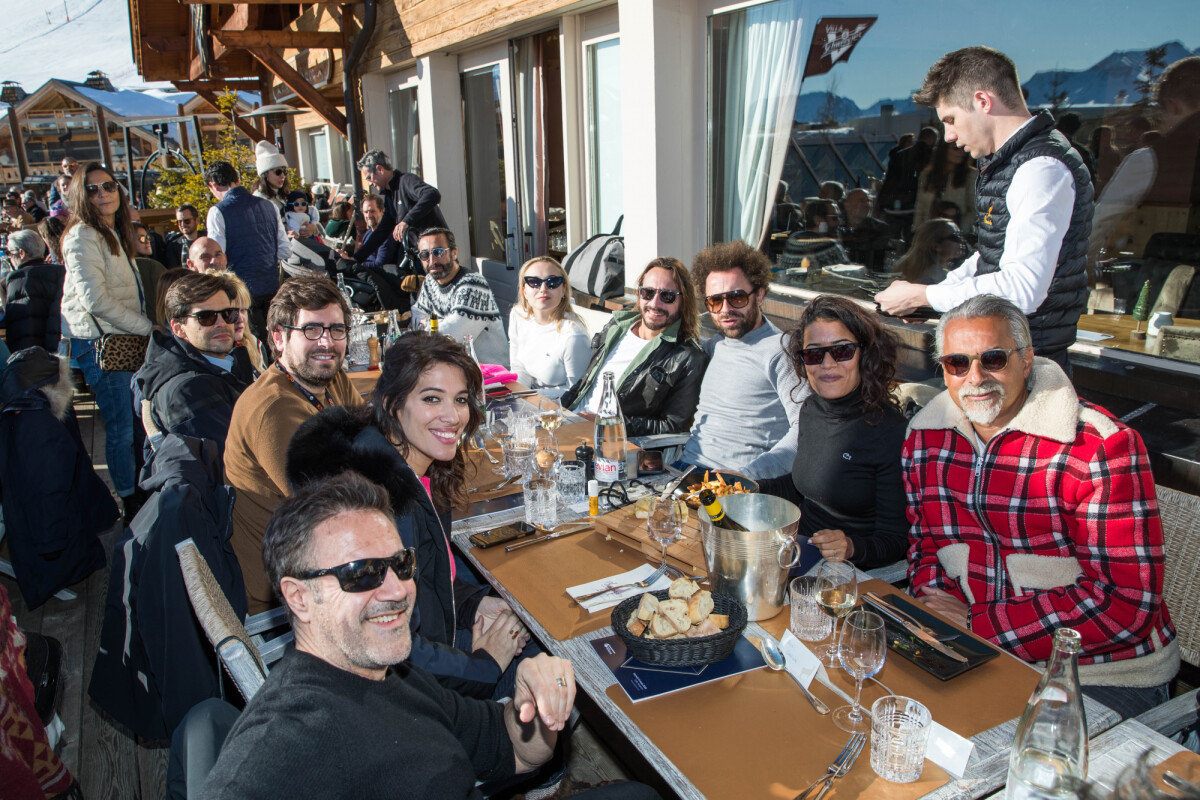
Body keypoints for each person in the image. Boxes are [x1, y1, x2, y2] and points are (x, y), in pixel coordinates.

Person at [198, 472, 656, 800]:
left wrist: (532, 707)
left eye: (402, 565)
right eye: (361, 574)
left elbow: (517, 751)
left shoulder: (392, 675)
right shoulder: (285, 744)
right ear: (298, 598)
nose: (398, 591)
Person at [904, 295, 1178, 719]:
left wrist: (981, 625)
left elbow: (1125, 604)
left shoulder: (1098, 447)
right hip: (974, 654)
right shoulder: (925, 438)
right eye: (958, 363)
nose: (975, 378)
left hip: (1100, 673)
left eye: (992, 359)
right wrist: (938, 611)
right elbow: (925, 544)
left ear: (1027, 360)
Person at [287, 332, 535, 700]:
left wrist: (472, 604)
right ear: (392, 404)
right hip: (405, 692)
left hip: (432, 649)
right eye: (432, 398)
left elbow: (431, 582)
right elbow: (392, 645)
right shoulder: (380, 505)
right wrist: (484, 662)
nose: (453, 417)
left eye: (461, 400)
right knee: (549, 669)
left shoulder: (412, 467)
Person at [876, 47, 1094, 373]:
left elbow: (1022, 290)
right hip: (1002, 355)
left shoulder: (1040, 168)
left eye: (950, 119)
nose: (948, 136)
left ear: (982, 102)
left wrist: (925, 296)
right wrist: (932, 297)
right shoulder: (1008, 163)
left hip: (1028, 368)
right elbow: (991, 257)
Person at [224, 275, 363, 614]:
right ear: (279, 337)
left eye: (337, 329)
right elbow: (336, 508)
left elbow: (374, 440)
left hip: (326, 551)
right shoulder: (273, 409)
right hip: (292, 588)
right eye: (312, 330)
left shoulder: (329, 379)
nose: (327, 343)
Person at [758, 296, 908, 569]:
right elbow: (805, 484)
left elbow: (896, 540)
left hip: (847, 573)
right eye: (814, 354)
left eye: (841, 351)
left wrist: (851, 546)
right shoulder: (812, 409)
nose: (827, 364)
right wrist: (751, 487)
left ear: (865, 354)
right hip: (797, 553)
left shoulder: (890, 432)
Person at [59, 161, 153, 521]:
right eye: (93, 189)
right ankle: (129, 501)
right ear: (80, 195)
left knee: (131, 422)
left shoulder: (111, 230)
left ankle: (136, 492)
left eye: (109, 186)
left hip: (122, 338)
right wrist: (146, 327)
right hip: (104, 343)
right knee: (120, 427)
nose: (103, 194)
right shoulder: (84, 235)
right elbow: (94, 300)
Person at [679, 241, 805, 479]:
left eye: (736, 297)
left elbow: (804, 428)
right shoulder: (715, 345)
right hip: (687, 472)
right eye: (715, 301)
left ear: (759, 295)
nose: (725, 309)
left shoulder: (781, 350)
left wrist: (750, 474)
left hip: (739, 484)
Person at [561, 257, 707, 436]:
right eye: (648, 293)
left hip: (610, 443)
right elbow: (586, 383)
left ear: (683, 301)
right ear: (639, 293)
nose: (655, 303)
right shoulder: (617, 325)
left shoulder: (687, 357)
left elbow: (671, 426)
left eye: (667, 296)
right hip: (571, 422)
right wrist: (557, 407)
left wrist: (608, 425)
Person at [1089, 57, 1200, 265]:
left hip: (1164, 287)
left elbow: (1099, 227)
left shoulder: (1151, 160)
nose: (1161, 122)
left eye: (1160, 114)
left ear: (1172, 106)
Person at [135, 272, 254, 454]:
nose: (221, 323)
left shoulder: (223, 364)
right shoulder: (187, 390)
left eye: (228, 314)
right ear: (178, 328)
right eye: (206, 317)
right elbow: (236, 460)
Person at [204, 160, 290, 346]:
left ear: (213, 184)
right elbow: (285, 250)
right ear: (236, 179)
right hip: (271, 287)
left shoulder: (217, 211)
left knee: (254, 347)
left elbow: (218, 259)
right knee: (277, 343)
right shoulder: (269, 206)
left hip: (241, 293)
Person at [410, 227, 508, 365]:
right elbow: (416, 316)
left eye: (438, 252)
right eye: (425, 255)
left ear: (454, 253)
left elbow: (452, 336)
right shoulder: (430, 281)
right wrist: (435, 326)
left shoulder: (473, 284)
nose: (432, 260)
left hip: (488, 375)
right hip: (452, 367)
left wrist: (429, 322)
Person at [508, 256, 590, 400]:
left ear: (563, 289)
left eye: (552, 282)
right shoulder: (517, 315)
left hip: (562, 408)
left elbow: (577, 392)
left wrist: (529, 396)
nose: (543, 289)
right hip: (530, 400)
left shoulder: (573, 335)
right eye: (534, 282)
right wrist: (517, 396)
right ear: (524, 291)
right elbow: (519, 367)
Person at [357, 149, 447, 248]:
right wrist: (357, 258)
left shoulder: (406, 181)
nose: (370, 183)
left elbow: (433, 194)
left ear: (380, 169)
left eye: (369, 177)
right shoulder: (389, 197)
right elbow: (382, 231)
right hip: (418, 252)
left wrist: (406, 221)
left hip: (436, 251)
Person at [2, 229, 63, 352]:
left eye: (10, 253)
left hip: (30, 355)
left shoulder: (17, 279)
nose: (9, 257)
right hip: (62, 349)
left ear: (21, 253)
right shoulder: (61, 271)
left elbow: (13, 321)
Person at [913, 139, 977, 234]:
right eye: (955, 149)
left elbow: (974, 209)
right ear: (943, 150)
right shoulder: (927, 174)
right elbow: (920, 207)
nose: (960, 152)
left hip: (956, 232)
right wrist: (917, 231)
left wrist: (959, 231)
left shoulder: (971, 175)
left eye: (963, 149)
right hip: (929, 232)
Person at [893, 218, 968, 286]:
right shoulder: (939, 278)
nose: (962, 241)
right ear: (936, 246)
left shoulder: (905, 267)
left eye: (961, 236)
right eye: (955, 237)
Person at [840, 188, 892, 270]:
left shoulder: (879, 228)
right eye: (862, 201)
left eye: (869, 201)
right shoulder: (838, 225)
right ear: (847, 205)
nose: (867, 204)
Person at [131, 221, 168, 326]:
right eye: (142, 239)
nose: (148, 242)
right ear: (128, 241)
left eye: (148, 238)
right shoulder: (150, 266)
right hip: (156, 326)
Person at [164, 203, 202, 268]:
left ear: (197, 220)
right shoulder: (173, 245)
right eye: (179, 222)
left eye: (187, 221)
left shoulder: (207, 239)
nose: (183, 225)